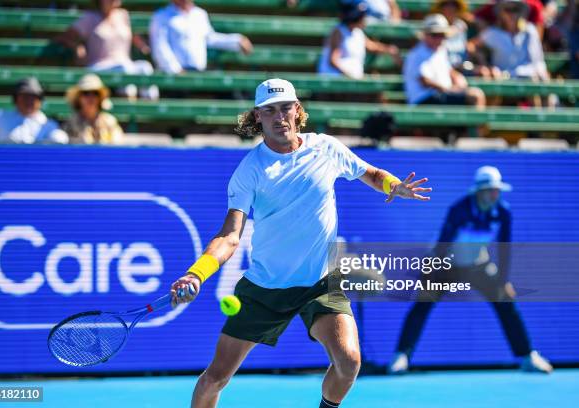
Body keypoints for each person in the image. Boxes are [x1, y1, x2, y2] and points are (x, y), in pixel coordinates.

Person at [169, 78, 431, 408]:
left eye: (285, 108)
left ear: (297, 110)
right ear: (258, 117)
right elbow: (229, 236)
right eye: (269, 111)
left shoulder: (327, 148)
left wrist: (393, 185)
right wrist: (196, 274)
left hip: (320, 283)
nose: (279, 117)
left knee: (349, 363)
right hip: (265, 288)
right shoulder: (250, 170)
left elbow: (372, 174)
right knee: (216, 378)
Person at [388, 166, 553, 375]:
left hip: (478, 266)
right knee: (422, 304)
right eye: (489, 189)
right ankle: (401, 356)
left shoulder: (503, 212)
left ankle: (528, 356)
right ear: (478, 191)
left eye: (497, 189)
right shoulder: (459, 209)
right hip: (445, 264)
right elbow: (442, 244)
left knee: (506, 302)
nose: (494, 194)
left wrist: (503, 281)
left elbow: (504, 248)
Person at [57, 0, 159, 100]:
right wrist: (77, 47)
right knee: (124, 69)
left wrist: (141, 45)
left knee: (145, 67)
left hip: (125, 64)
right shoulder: (89, 17)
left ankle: (150, 110)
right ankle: (129, 109)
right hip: (99, 66)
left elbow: (129, 36)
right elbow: (65, 37)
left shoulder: (123, 15)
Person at [149, 0, 253, 74]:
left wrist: (238, 40)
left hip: (198, 72)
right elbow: (160, 47)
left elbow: (211, 38)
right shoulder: (161, 16)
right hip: (173, 75)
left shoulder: (200, 14)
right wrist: (176, 70)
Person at [403, 14, 486, 107]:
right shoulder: (416, 54)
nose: (439, 39)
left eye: (442, 35)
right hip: (424, 99)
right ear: (425, 35)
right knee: (475, 96)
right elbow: (424, 81)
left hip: (438, 96)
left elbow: (449, 71)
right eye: (435, 35)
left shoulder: (440, 51)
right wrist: (449, 89)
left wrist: (458, 79)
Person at [0, 77, 68, 144]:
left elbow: (61, 140)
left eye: (33, 97)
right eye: (25, 96)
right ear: (16, 98)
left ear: (40, 101)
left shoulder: (47, 124)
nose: (29, 100)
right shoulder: (2, 118)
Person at [318, 2, 401, 79]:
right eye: (362, 17)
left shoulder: (358, 32)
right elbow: (333, 61)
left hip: (352, 80)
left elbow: (371, 46)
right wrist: (350, 76)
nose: (365, 19)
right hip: (337, 80)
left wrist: (389, 49)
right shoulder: (338, 31)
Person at [431, 0, 495, 78]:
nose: (450, 8)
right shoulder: (436, 25)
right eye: (446, 5)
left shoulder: (460, 25)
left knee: (487, 72)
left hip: (462, 67)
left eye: (454, 5)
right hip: (444, 68)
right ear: (441, 8)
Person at [64, 74, 124, 145]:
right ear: (79, 98)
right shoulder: (71, 123)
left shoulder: (109, 121)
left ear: (100, 98)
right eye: (86, 93)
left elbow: (117, 146)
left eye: (95, 93)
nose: (90, 97)